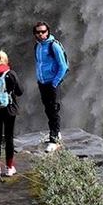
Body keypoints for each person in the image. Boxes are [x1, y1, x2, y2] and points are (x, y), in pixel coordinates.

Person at [32, 21, 68, 152]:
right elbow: (40, 64)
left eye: (43, 32)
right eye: (38, 32)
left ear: (48, 32)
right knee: (48, 110)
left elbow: (63, 66)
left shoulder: (54, 46)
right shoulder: (37, 47)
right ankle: (56, 133)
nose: (41, 34)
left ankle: (54, 141)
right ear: (35, 34)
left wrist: (55, 82)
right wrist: (39, 79)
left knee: (54, 110)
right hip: (42, 83)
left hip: (52, 83)